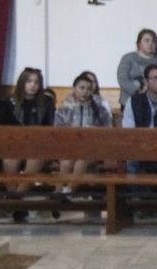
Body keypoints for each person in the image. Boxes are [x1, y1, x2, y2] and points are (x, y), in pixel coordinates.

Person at [6, 68, 56, 213]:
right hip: (14, 146)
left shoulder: (46, 102)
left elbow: (51, 128)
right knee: (9, 160)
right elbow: (4, 129)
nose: (33, 85)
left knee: (36, 159)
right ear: (22, 82)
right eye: (29, 81)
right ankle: (17, 204)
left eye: (36, 82)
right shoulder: (10, 102)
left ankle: (14, 202)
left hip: (39, 147)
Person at [53, 71, 112, 191]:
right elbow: (57, 132)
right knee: (66, 162)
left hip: (92, 148)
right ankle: (59, 191)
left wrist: (95, 132)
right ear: (74, 88)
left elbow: (108, 131)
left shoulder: (100, 110)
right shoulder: (63, 110)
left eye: (88, 89)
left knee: (82, 159)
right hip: (68, 146)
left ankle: (69, 189)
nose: (85, 92)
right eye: (82, 88)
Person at [116, 29, 157, 109]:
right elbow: (123, 79)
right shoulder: (128, 58)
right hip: (131, 102)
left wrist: (153, 92)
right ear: (139, 43)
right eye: (146, 41)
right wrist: (138, 92)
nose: (150, 44)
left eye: (153, 41)